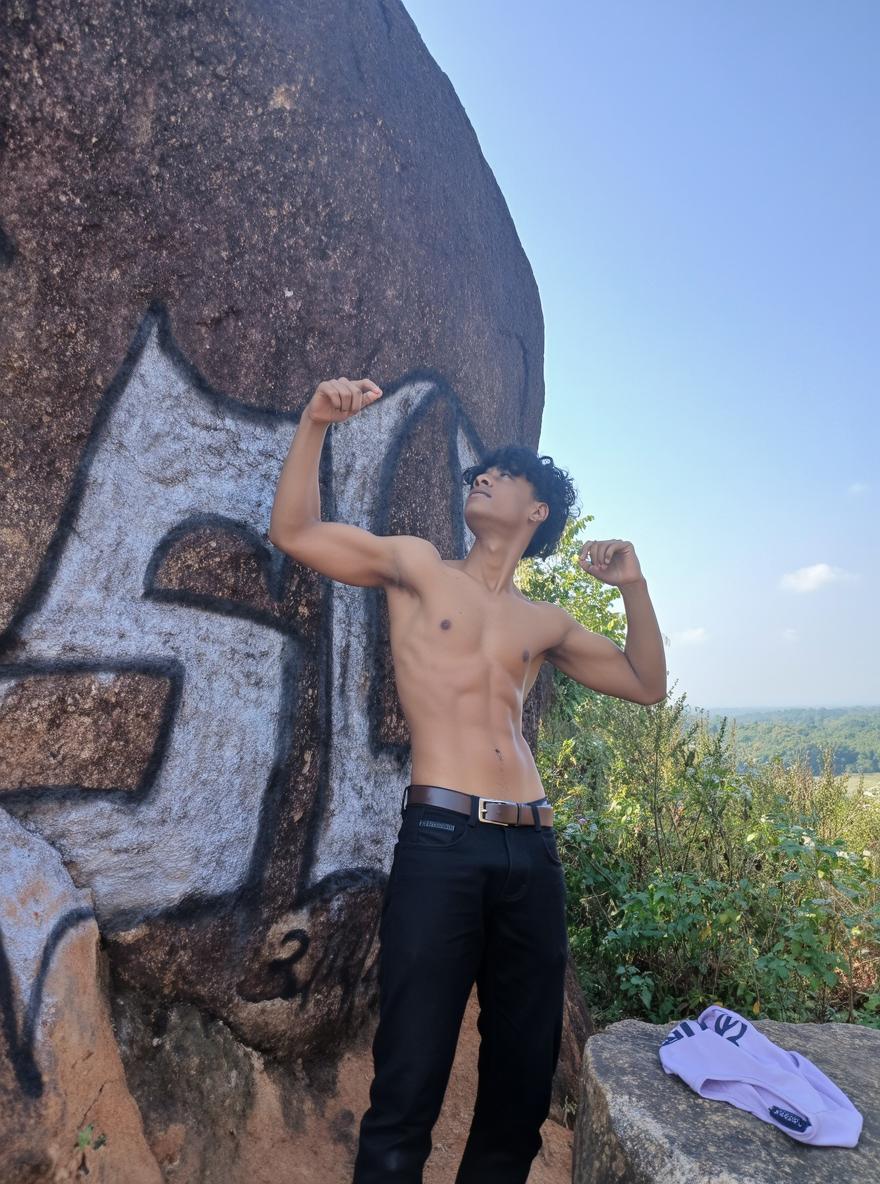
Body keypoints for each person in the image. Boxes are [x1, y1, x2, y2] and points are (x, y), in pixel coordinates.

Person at [268, 377, 667, 1184]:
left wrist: (633, 584)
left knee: (520, 1085)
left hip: (534, 853)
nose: (478, 476)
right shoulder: (419, 567)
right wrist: (316, 421)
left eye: (503, 473)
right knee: (410, 1067)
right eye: (476, 473)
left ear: (536, 512)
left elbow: (645, 683)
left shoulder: (542, 621)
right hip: (443, 840)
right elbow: (296, 531)